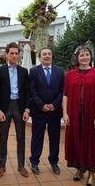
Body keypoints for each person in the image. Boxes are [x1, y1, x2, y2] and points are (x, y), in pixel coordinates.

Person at [62, 45, 95, 186]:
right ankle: (80, 170)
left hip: (91, 114)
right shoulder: (70, 74)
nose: (85, 57)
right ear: (77, 58)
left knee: (91, 142)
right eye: (81, 55)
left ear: (90, 56)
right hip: (74, 115)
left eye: (87, 54)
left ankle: (91, 173)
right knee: (76, 141)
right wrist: (65, 112)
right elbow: (65, 95)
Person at [0, 42, 30, 178]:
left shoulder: (24, 71)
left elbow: (27, 92)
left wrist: (27, 109)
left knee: (21, 138)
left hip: (19, 108)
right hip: (5, 108)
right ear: (6, 55)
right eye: (11, 53)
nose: (14, 56)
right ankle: (2, 166)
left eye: (16, 53)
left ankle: (21, 166)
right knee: (3, 138)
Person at [29, 47, 64, 175]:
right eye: (44, 54)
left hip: (55, 111)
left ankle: (54, 162)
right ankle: (34, 162)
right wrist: (41, 105)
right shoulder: (33, 71)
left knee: (54, 138)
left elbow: (63, 90)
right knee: (37, 137)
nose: (47, 56)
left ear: (52, 56)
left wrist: (54, 105)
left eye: (49, 54)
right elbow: (32, 90)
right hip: (39, 111)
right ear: (39, 57)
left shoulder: (60, 71)